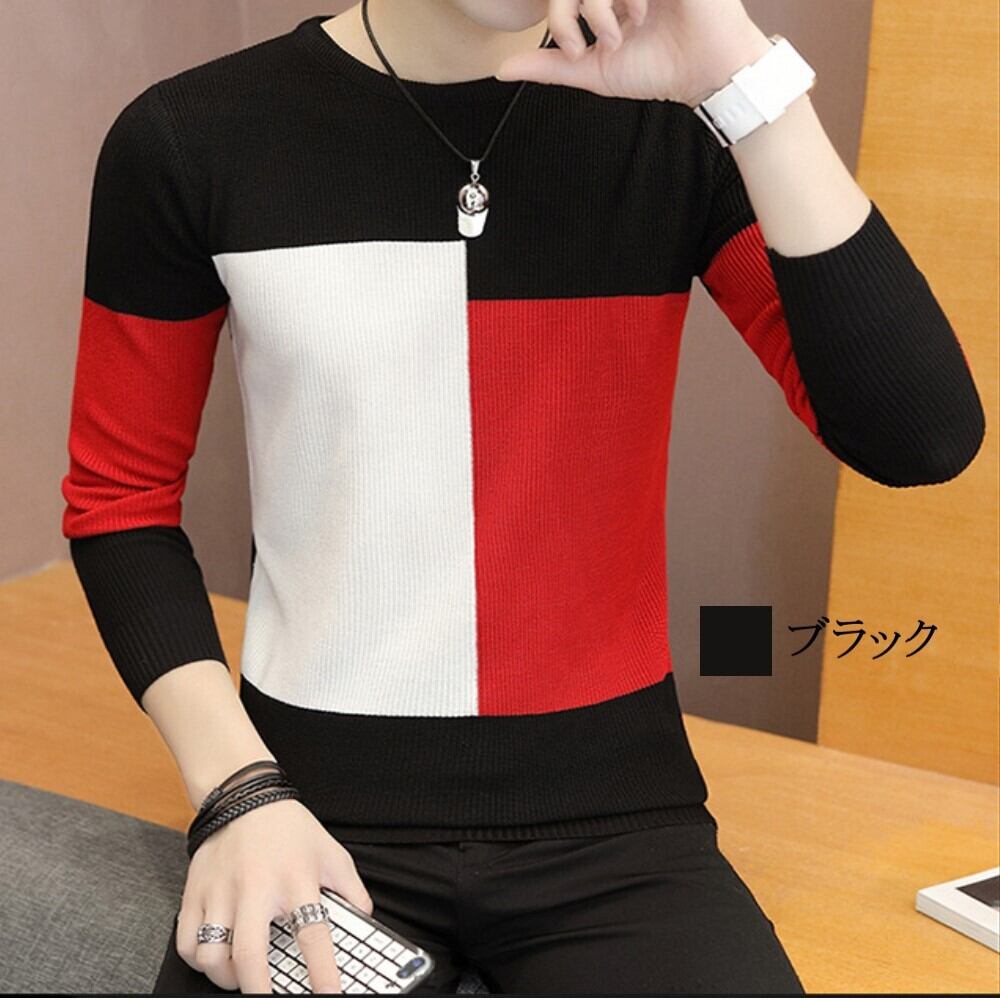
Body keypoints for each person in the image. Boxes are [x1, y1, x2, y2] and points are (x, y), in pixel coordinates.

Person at [60, 0, 985, 995]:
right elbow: (121, 499)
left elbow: (919, 437)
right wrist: (237, 791)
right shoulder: (192, 138)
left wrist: (745, 81)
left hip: (619, 821)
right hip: (306, 808)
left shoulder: (678, 128)